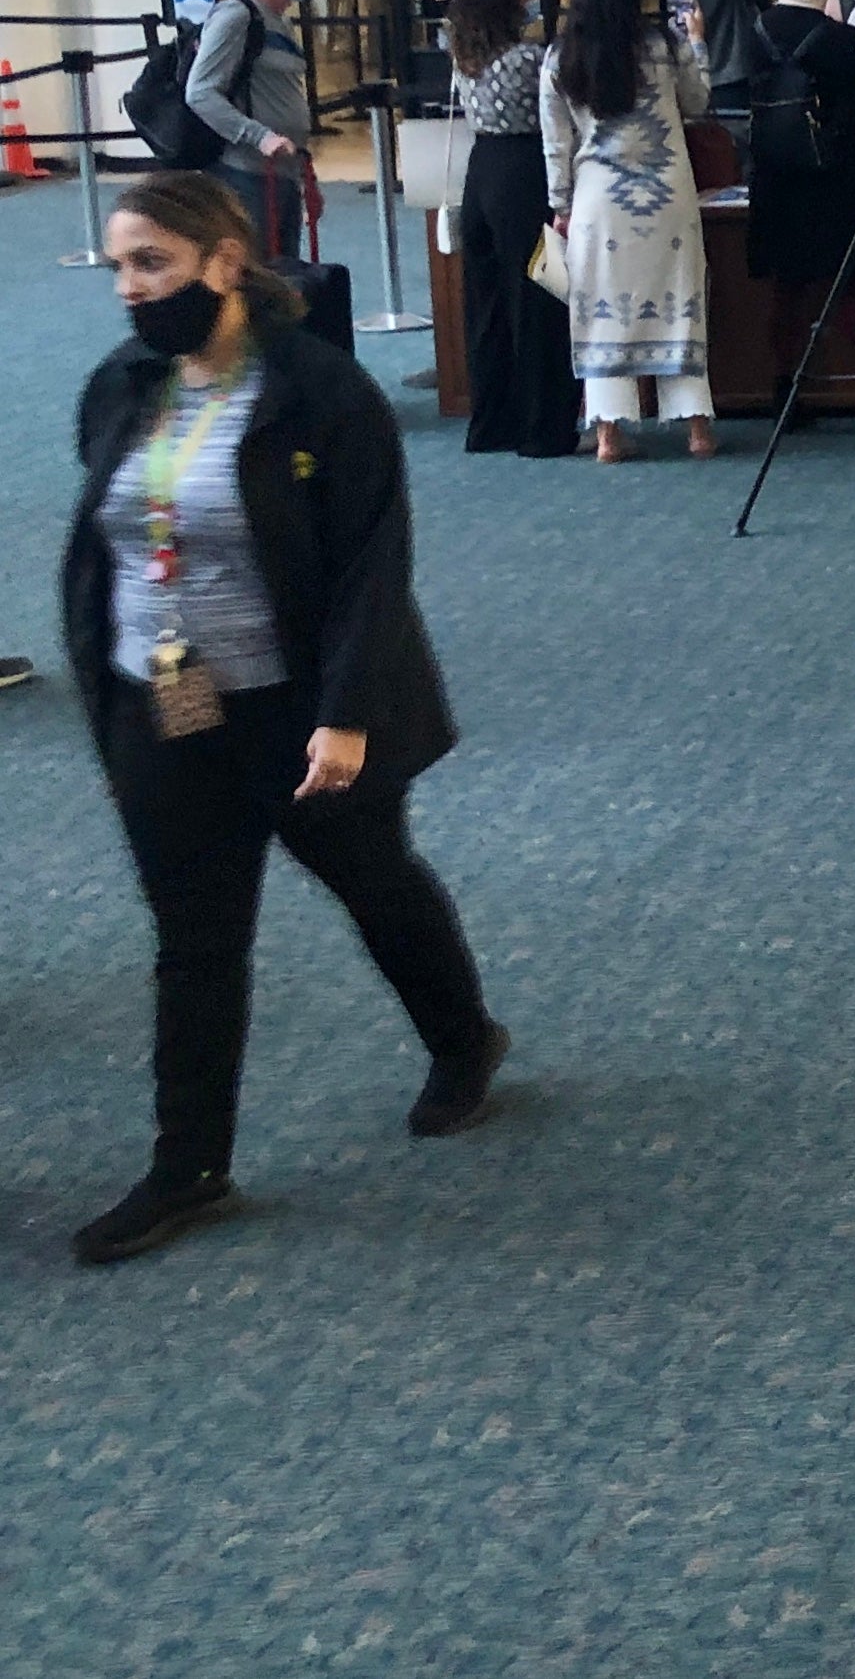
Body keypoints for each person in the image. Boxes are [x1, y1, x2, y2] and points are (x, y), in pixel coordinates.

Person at [59, 172, 507, 1267]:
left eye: (152, 264)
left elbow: (370, 565)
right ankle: (189, 1167)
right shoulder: (125, 385)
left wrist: (345, 715)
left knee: (374, 884)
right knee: (195, 942)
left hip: (297, 715)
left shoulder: (318, 392)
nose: (133, 290)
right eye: (119, 268)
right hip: (163, 706)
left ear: (222, 261)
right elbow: (108, 537)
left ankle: (464, 1040)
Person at [544, 0, 718, 463]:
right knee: (680, 300)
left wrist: (561, 204)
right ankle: (697, 429)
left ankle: (608, 434)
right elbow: (697, 101)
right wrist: (700, 42)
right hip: (667, 193)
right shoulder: (664, 46)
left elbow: (556, 142)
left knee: (600, 309)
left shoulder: (560, 56)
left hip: (600, 199)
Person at [745, 0, 855, 433]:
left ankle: (787, 392)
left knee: (787, 289)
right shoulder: (837, 37)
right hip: (835, 178)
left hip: (774, 177)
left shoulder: (757, 33)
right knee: (853, 286)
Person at [443, 0, 577, 458]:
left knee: (488, 303)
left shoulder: (463, 53)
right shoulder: (530, 60)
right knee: (538, 297)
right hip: (524, 170)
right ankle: (544, 428)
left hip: (481, 170)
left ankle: (492, 423)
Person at [188, 0, 319, 263]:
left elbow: (281, 96)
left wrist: (306, 175)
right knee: (255, 275)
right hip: (246, 175)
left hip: (280, 174)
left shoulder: (277, 21)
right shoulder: (236, 15)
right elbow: (200, 92)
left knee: (283, 273)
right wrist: (259, 137)